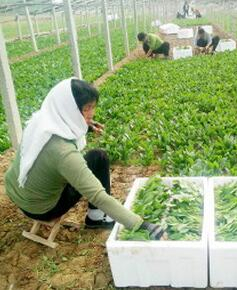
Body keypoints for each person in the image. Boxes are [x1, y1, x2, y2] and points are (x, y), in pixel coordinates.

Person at [4, 78, 165, 240]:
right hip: (41, 208)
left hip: (15, 189)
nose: (92, 113)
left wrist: (86, 126)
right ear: (69, 110)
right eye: (86, 109)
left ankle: (95, 216)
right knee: (98, 159)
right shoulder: (63, 152)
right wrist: (142, 225)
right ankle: (96, 218)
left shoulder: (41, 120)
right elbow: (97, 195)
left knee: (96, 156)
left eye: (93, 107)